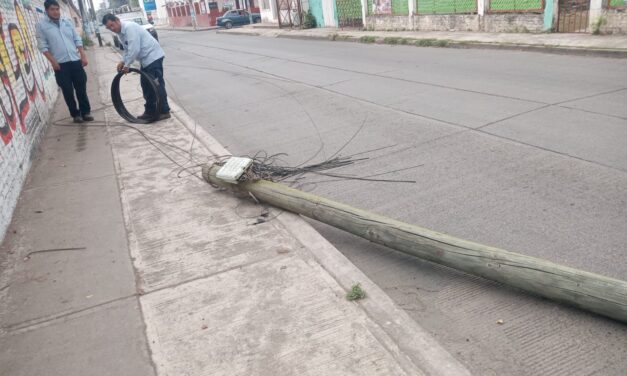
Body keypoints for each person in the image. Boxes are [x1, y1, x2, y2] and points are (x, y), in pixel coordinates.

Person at [102, 13, 170, 121]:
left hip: (153, 57)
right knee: (146, 86)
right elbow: (127, 50)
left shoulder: (129, 28)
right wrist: (123, 61)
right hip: (145, 61)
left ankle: (164, 111)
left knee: (157, 86)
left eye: (112, 25)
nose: (111, 29)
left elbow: (134, 49)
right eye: (108, 28)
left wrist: (127, 65)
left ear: (117, 20)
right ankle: (150, 111)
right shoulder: (121, 34)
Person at [36, 0, 93, 123]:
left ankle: (86, 112)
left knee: (81, 88)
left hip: (75, 61)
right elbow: (42, 46)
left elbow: (77, 39)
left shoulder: (67, 23)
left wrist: (83, 55)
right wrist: (53, 62)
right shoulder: (42, 26)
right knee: (67, 91)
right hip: (60, 65)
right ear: (46, 11)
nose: (56, 12)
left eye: (57, 9)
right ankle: (75, 114)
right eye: (52, 9)